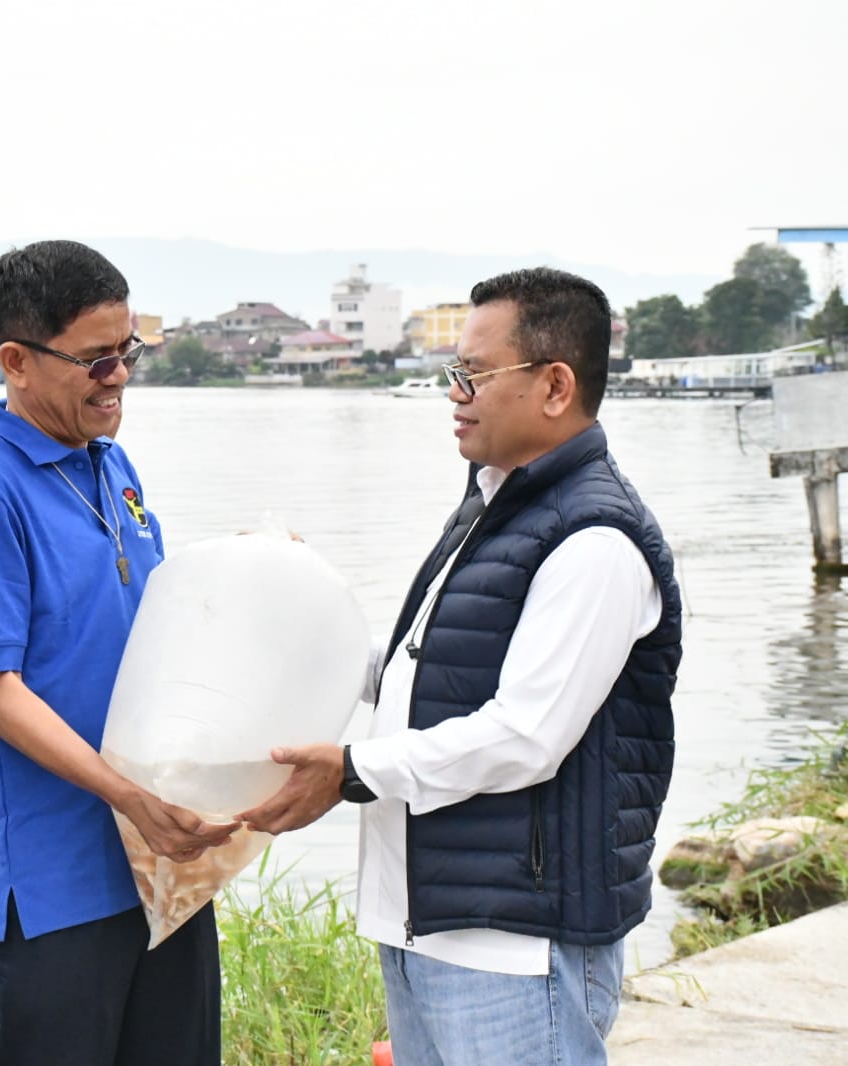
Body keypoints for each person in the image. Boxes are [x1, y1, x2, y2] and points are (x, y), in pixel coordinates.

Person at [244, 267, 682, 1065]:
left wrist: (349, 771)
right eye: (455, 374)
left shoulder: (593, 540)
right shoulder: (496, 503)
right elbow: (434, 674)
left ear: (554, 385)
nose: (454, 392)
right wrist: (307, 614)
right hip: (433, 919)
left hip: (517, 944)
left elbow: (524, 735)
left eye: (473, 374)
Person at [0, 240, 236, 1066]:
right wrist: (127, 795)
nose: (118, 376)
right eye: (94, 360)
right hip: (52, 878)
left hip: (155, 862)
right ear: (15, 361)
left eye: (126, 352)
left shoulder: (111, 465)